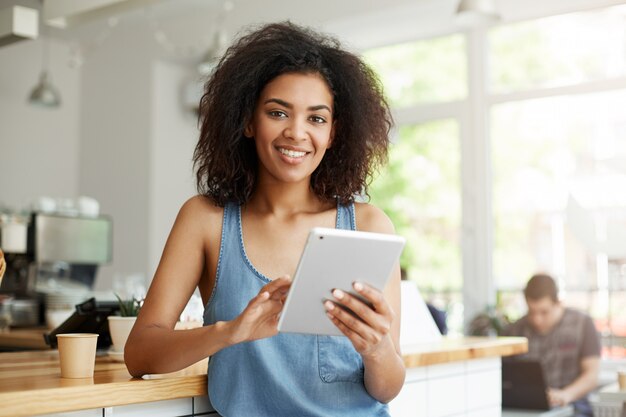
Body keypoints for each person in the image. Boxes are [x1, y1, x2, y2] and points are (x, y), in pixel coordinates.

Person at [124, 22, 405, 416]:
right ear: (248, 120)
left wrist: (378, 349)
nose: (296, 133)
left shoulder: (369, 225)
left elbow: (388, 388)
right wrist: (230, 332)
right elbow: (139, 354)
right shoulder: (205, 220)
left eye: (316, 119)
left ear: (334, 133)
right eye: (278, 112)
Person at [503, 273, 600, 417]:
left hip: (573, 405)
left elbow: (592, 376)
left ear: (558, 303)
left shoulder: (583, 324)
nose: (537, 319)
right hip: (529, 409)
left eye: (544, 312)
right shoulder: (515, 330)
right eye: (532, 312)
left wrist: (565, 395)